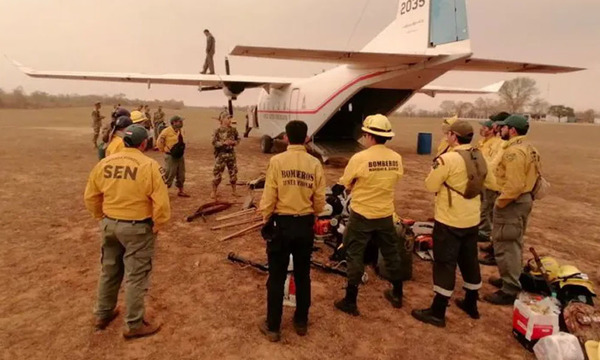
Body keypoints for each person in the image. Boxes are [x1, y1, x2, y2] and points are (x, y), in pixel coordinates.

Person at [84, 124, 170, 339]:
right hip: (137, 228)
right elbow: (161, 203)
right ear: (143, 143)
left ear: (124, 141)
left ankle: (102, 314)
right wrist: (158, 225)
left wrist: (101, 217)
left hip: (109, 225)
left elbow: (91, 196)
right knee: (136, 276)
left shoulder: (104, 163)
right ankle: (133, 324)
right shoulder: (148, 166)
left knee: (109, 270)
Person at [411, 120, 494, 327]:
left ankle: (438, 311)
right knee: (469, 260)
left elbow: (430, 185)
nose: (447, 136)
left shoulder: (447, 159)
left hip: (450, 219)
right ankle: (471, 303)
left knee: (445, 263)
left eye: (449, 133)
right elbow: (490, 182)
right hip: (472, 218)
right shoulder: (479, 155)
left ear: (454, 136)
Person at [258, 120, 326, 342]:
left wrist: (265, 217)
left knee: (276, 276)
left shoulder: (277, 161)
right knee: (302, 274)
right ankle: (301, 321)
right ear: (306, 138)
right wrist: (314, 214)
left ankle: (273, 326)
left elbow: (270, 195)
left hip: (281, 225)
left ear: (286, 137)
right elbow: (319, 198)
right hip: (304, 225)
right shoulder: (314, 163)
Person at [333, 114, 405, 316]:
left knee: (354, 252)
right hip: (385, 214)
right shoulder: (396, 158)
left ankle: (350, 300)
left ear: (369, 136)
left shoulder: (360, 158)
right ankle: (397, 293)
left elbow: (346, 182)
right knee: (391, 252)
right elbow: (395, 179)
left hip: (362, 214)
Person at [484, 115, 541, 305]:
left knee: (506, 244)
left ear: (512, 130)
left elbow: (514, 185)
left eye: (504, 127)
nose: (500, 130)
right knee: (514, 242)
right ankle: (509, 277)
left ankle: (509, 288)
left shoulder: (513, 152)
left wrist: (500, 203)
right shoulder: (530, 148)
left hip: (512, 202)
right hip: (523, 200)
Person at [157, 115, 190, 197]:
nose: (182, 123)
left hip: (179, 156)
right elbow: (159, 142)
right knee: (169, 174)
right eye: (180, 121)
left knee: (181, 174)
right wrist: (164, 150)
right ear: (174, 123)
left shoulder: (181, 131)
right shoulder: (166, 131)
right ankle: (163, 193)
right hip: (171, 157)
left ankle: (181, 190)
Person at [211, 114, 240, 198]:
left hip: (231, 154)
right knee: (218, 174)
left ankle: (234, 191)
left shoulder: (233, 130)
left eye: (230, 118)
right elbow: (214, 142)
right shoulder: (217, 130)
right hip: (221, 154)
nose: (230, 120)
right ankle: (214, 191)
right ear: (223, 119)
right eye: (228, 118)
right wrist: (223, 143)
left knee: (233, 173)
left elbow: (238, 139)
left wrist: (234, 143)